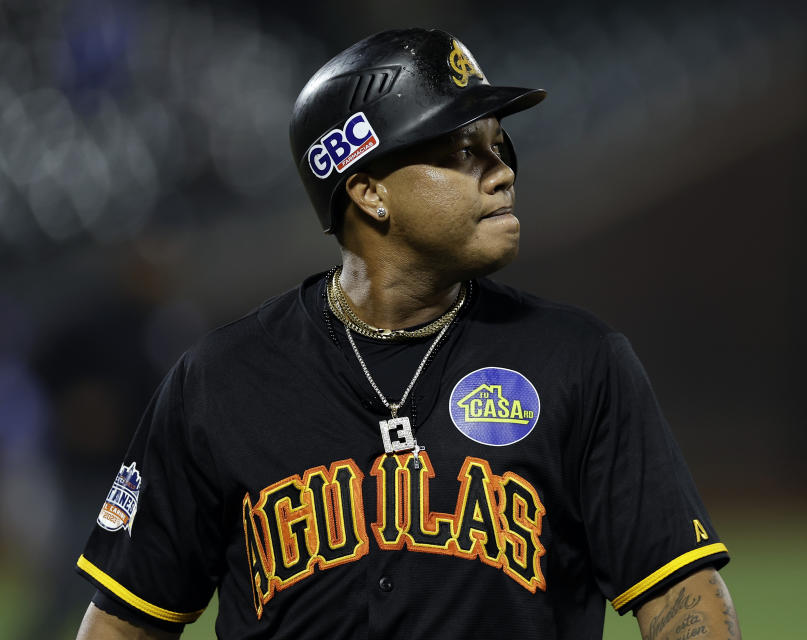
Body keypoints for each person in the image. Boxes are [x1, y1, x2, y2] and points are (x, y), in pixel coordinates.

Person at [75, 28, 740, 640]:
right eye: (462, 151)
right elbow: (125, 621)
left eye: (498, 144)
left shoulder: (580, 362)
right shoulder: (220, 380)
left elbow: (682, 593)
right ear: (368, 192)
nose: (503, 170)